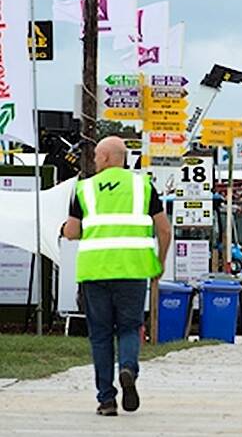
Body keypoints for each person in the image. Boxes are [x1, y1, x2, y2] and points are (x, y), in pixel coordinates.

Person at [62, 136, 171, 417]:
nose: (95, 161)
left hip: (95, 272)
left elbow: (72, 232)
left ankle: (106, 400)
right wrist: (159, 264)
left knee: (100, 335)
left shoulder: (85, 189)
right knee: (129, 328)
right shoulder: (143, 186)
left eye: (97, 156)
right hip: (133, 271)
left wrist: (65, 228)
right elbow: (165, 230)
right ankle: (128, 368)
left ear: (108, 157)